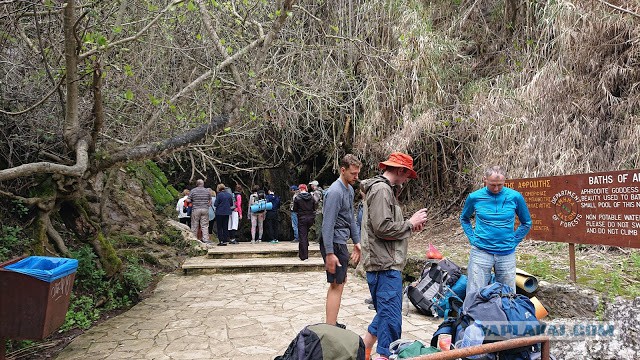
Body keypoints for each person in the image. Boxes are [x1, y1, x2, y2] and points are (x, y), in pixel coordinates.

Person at [361, 152, 429, 360]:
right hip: (384, 266)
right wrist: (409, 222)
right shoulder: (381, 190)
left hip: (384, 263)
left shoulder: (383, 190)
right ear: (400, 170)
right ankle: (385, 356)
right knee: (390, 319)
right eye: (407, 175)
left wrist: (408, 228)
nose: (407, 180)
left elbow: (385, 227)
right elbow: (382, 228)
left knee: (385, 313)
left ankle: (362, 351)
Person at [460, 165, 532, 294]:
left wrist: (514, 241)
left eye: (500, 184)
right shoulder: (474, 197)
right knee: (475, 292)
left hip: (506, 253)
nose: (496, 188)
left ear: (505, 181)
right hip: (481, 252)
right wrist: (472, 238)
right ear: (485, 180)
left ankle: (506, 315)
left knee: (508, 295)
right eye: (493, 185)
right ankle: (472, 314)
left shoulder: (515, 197)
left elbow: (526, 222)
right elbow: (464, 218)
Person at [320, 154, 362, 328]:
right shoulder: (335, 192)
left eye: (358, 173)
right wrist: (329, 253)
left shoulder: (350, 190)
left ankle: (332, 323)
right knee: (337, 284)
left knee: (339, 283)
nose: (356, 177)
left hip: (340, 241)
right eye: (353, 173)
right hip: (334, 242)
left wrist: (357, 242)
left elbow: (350, 218)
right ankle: (330, 327)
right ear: (342, 170)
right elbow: (327, 224)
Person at [293, 184, 316, 259]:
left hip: (302, 218)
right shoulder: (311, 197)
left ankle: (304, 255)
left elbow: (295, 209)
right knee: (305, 235)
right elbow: (314, 207)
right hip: (310, 218)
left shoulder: (297, 198)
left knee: (302, 236)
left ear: (300, 189)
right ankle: (304, 249)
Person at [188, 179, 213, 244]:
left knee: (194, 224)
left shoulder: (193, 191)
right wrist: (208, 205)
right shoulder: (207, 191)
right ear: (203, 184)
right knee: (204, 225)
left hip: (196, 209)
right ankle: (206, 239)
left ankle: (194, 239)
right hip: (205, 209)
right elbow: (210, 199)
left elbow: (188, 200)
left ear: (197, 184)